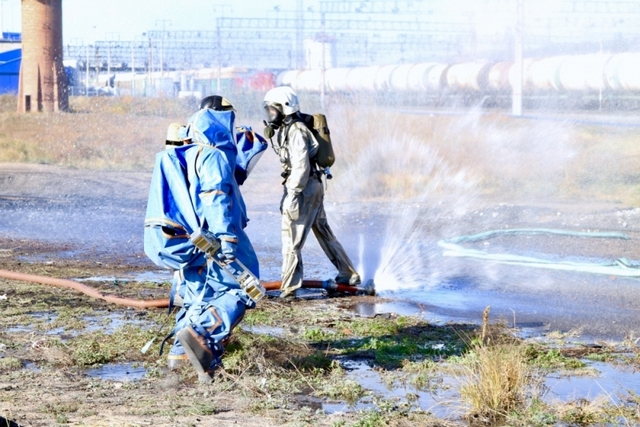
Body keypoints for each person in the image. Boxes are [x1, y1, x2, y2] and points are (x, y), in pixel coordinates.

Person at [145, 95, 260, 382]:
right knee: (241, 290)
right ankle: (201, 335)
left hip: (185, 240)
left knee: (199, 295)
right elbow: (215, 194)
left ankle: (179, 356)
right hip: (213, 238)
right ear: (223, 119)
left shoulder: (186, 151)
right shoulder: (212, 154)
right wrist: (227, 238)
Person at [262, 86, 360, 299]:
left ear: (284, 109)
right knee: (323, 232)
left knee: (291, 238)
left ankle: (289, 287)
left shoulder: (296, 131)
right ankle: (348, 274)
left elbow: (300, 166)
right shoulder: (290, 129)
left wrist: (293, 194)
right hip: (312, 186)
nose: (269, 115)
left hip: (304, 188)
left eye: (272, 110)